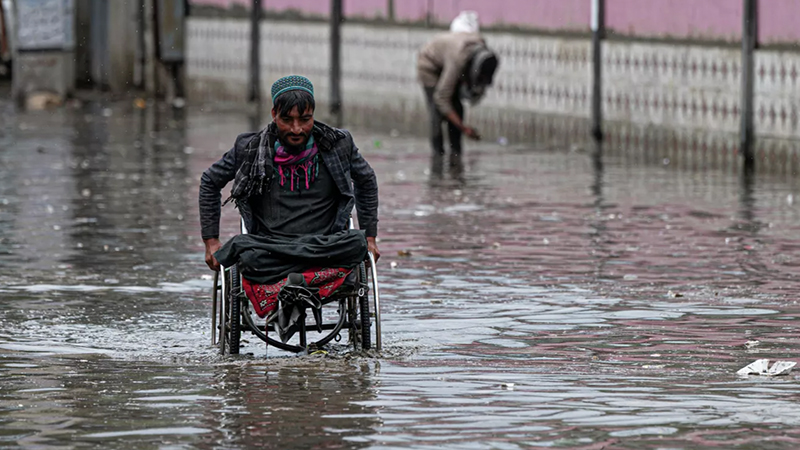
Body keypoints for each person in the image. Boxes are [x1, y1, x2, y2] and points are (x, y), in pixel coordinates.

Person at [199, 75, 380, 276]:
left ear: (313, 115)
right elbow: (210, 181)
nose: (296, 129)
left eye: (304, 120)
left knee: (357, 242)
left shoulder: (338, 144)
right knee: (241, 251)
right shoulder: (249, 148)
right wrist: (211, 240)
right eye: (287, 120)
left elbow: (367, 180)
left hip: (325, 247)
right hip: (270, 248)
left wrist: (370, 237)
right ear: (274, 114)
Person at [417, 11, 499, 171]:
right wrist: (464, 127)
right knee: (437, 113)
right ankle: (438, 159)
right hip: (429, 66)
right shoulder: (458, 60)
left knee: (457, 107)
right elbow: (441, 98)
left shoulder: (481, 49)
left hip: (448, 62)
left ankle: (456, 156)